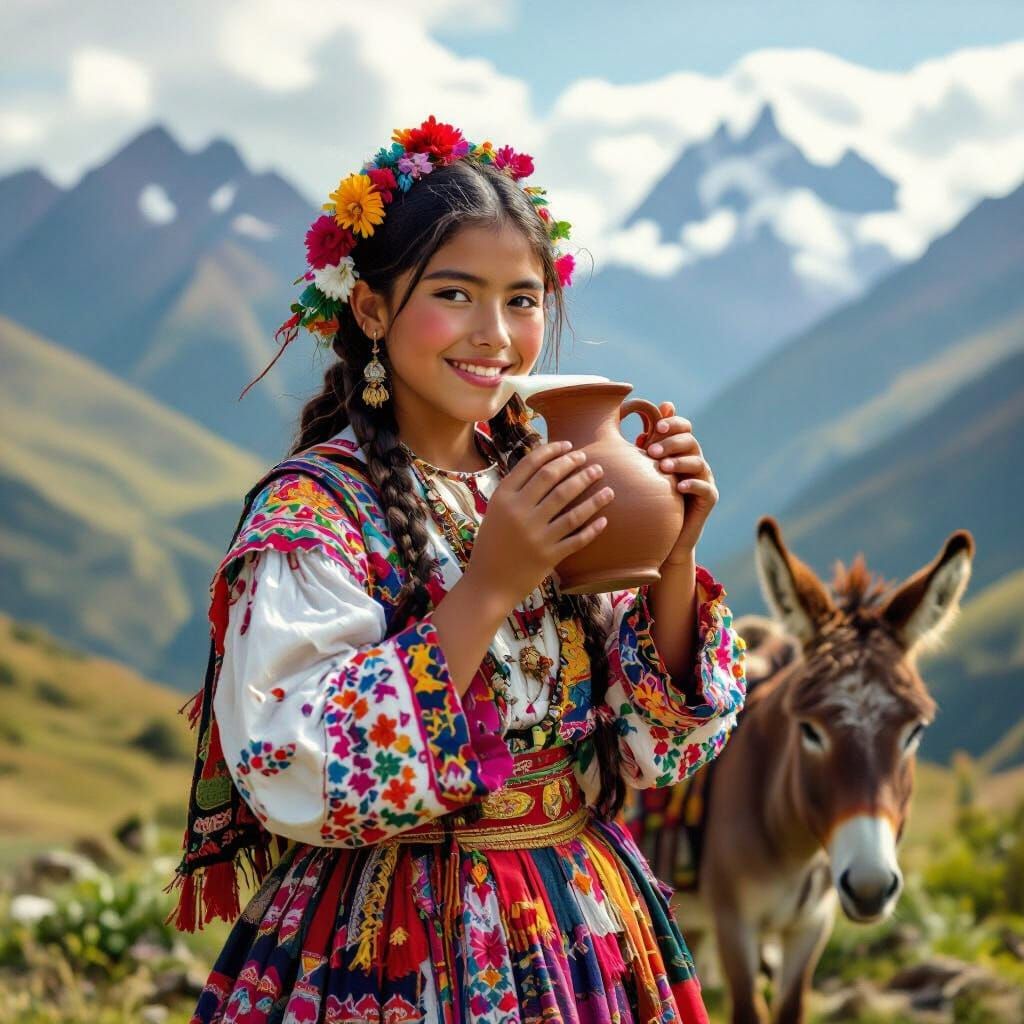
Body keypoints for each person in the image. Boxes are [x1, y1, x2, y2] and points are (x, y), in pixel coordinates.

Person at [167, 115, 747, 1024]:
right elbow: (291, 762)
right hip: (387, 939)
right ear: (368, 309)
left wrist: (673, 558)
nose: (496, 333)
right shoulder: (314, 513)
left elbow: (651, 749)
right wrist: (488, 587)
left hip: (579, 922)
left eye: (522, 300)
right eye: (455, 293)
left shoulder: (547, 474)